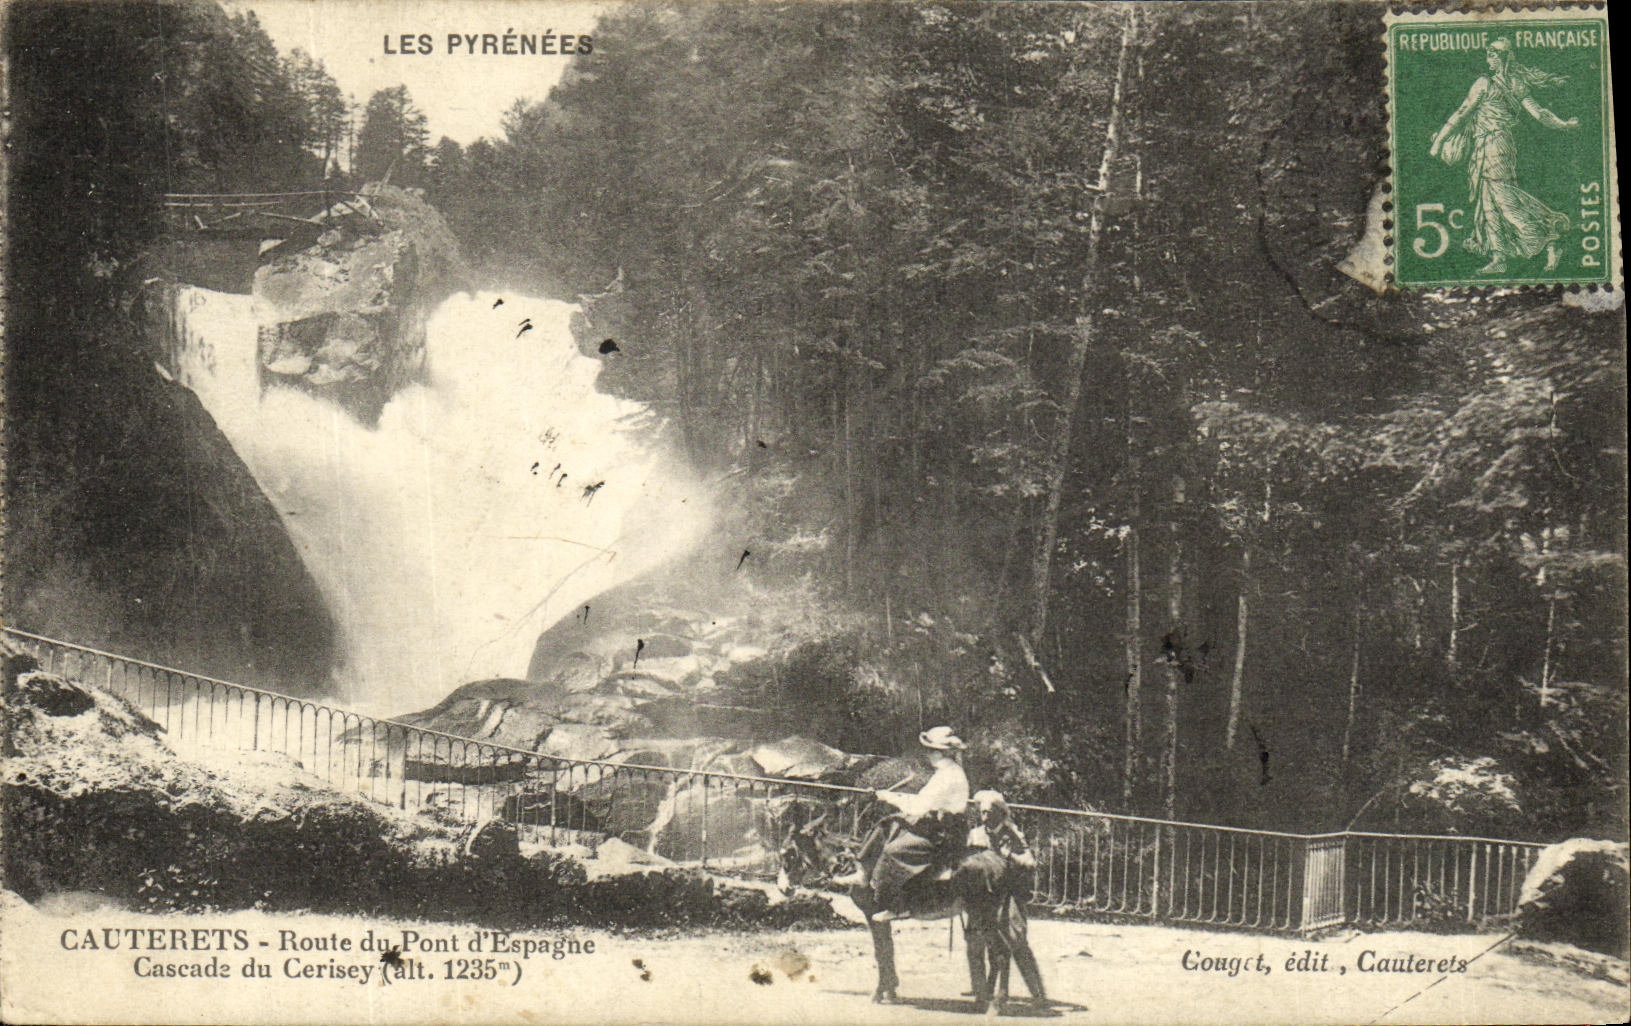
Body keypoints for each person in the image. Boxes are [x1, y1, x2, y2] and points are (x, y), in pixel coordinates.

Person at [1430, 38, 1579, 275]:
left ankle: (1550, 238)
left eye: (1491, 56)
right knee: (1489, 201)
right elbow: (1540, 114)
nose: (1488, 60)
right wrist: (1563, 125)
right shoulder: (1516, 84)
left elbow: (1462, 112)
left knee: (1504, 200)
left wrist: (1438, 142)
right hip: (1493, 145)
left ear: (1500, 59)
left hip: (1494, 145)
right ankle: (1499, 257)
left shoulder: (1484, 83)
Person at [835, 726, 970, 921]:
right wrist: (887, 796)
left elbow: (918, 806)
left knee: (894, 851)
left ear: (940, 753)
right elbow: (922, 801)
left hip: (947, 833)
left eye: (930, 750)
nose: (928, 755)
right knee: (886, 825)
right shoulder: (944, 772)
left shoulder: (949, 776)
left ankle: (897, 906)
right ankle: (863, 873)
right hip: (934, 824)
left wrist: (887, 797)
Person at [967, 790, 1035, 870]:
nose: (984, 818)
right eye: (983, 813)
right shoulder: (975, 834)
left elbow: (1031, 864)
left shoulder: (1013, 835)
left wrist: (1010, 855)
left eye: (989, 813)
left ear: (1000, 813)